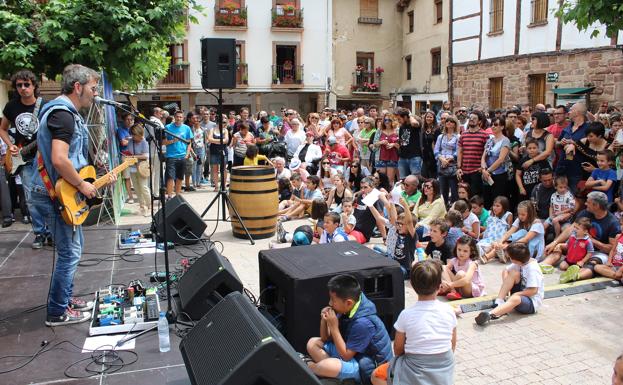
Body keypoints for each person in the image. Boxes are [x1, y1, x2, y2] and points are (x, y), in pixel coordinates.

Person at [30, 64, 116, 325]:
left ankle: (66, 298)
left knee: (73, 249)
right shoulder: (63, 115)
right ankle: (57, 311)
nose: (95, 93)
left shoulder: (61, 112)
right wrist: (82, 185)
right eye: (92, 88)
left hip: (58, 191)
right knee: (69, 253)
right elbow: (59, 159)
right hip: (53, 193)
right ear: (78, 87)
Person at [371, 260, 456, 385]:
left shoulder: (406, 315)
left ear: (412, 285)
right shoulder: (449, 310)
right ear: (439, 286)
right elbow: (452, 345)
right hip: (444, 365)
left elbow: (398, 349)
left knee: (376, 376)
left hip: (415, 366)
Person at [306, 274, 393, 384]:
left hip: (367, 368)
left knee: (328, 365)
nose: (330, 303)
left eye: (333, 300)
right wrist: (324, 321)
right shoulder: (349, 308)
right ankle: (331, 371)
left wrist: (334, 327)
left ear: (348, 303)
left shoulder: (363, 323)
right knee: (313, 343)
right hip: (352, 354)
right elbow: (325, 339)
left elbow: (346, 356)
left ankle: (311, 367)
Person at [0, 69, 51, 247]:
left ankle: (52, 232)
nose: (23, 88)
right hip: (24, 158)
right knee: (31, 197)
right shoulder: (12, 106)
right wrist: (9, 145)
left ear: (34, 85)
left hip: (45, 157)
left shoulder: (46, 105)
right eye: (19, 85)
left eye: (26, 84)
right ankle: (39, 233)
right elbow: (2, 128)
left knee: (50, 195)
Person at [544, 191, 620, 283]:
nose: (585, 203)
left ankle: (576, 276)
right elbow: (570, 229)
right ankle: (543, 265)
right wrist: (555, 242)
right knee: (557, 247)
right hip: (578, 246)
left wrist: (591, 240)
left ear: (596, 205)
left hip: (596, 253)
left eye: (588, 202)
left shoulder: (612, 223)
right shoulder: (585, 213)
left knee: (593, 264)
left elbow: (612, 248)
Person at [475, 243, 544, 326]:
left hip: (531, 303)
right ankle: (499, 302)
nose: (508, 257)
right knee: (513, 273)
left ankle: (491, 314)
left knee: (516, 298)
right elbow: (505, 270)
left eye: (509, 257)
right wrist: (507, 286)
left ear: (515, 260)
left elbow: (533, 291)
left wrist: (516, 294)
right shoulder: (521, 262)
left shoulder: (533, 269)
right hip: (520, 294)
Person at [556, 102, 590, 193]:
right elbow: (557, 143)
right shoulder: (567, 128)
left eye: (571, 110)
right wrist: (561, 142)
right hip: (562, 168)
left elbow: (591, 144)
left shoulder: (588, 129)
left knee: (574, 197)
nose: (569, 112)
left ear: (577, 112)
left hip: (577, 170)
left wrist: (574, 144)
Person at [442, 235, 486, 300]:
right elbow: (444, 270)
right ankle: (453, 291)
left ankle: (449, 289)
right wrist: (443, 281)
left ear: (471, 252)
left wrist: (450, 284)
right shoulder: (454, 260)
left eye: (465, 251)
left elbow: (466, 280)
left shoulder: (473, 263)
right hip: (459, 286)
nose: (461, 253)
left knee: (461, 273)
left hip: (471, 290)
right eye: (459, 249)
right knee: (443, 267)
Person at [457, 111, 489, 197]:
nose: (471, 119)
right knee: (464, 196)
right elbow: (460, 151)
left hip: (477, 171)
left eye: (474, 118)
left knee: (476, 196)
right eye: (470, 117)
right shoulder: (463, 134)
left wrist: (482, 168)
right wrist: (459, 167)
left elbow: (487, 153)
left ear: (479, 121)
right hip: (464, 171)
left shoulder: (484, 135)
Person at [164, 110, 193, 197]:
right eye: (177, 117)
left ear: (183, 118)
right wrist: (173, 141)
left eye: (180, 117)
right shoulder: (168, 127)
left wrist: (187, 154)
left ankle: (177, 196)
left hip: (182, 156)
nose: (178, 118)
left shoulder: (186, 128)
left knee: (180, 178)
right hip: (171, 156)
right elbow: (163, 142)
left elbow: (189, 142)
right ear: (174, 117)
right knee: (170, 178)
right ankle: (169, 196)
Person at [478, 196, 514, 263]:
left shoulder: (508, 215)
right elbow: (488, 230)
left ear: (504, 207)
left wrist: (505, 241)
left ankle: (496, 254)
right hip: (490, 239)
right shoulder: (491, 216)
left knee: (498, 246)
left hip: (501, 239)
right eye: (494, 205)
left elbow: (509, 230)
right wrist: (478, 236)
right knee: (480, 245)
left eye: (498, 206)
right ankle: (496, 254)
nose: (495, 208)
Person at [353, 177, 388, 243]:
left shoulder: (377, 198)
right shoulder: (361, 195)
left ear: (372, 187)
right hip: (352, 228)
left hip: (362, 233)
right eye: (361, 187)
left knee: (345, 241)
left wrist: (384, 238)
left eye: (365, 187)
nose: (363, 190)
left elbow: (380, 220)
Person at [435, 115, 460, 205]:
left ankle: (453, 208)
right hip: (442, 164)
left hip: (452, 165)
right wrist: (442, 159)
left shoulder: (458, 137)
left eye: (451, 121)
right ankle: (444, 208)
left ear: (455, 124)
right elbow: (436, 150)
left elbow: (458, 152)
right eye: (447, 121)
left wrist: (448, 160)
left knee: (454, 190)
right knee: (443, 190)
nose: (448, 123)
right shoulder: (440, 137)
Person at [126, 125, 150, 217]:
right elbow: (129, 152)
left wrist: (133, 157)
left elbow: (146, 156)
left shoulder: (144, 142)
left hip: (142, 168)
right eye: (133, 135)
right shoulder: (131, 141)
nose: (134, 137)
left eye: (135, 135)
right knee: (136, 188)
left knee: (144, 187)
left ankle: (149, 205)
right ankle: (142, 206)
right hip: (132, 167)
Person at [372, 116, 399, 186]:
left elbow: (401, 145)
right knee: (381, 180)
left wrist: (393, 144)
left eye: (389, 120)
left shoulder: (397, 130)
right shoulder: (379, 130)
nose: (387, 122)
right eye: (385, 120)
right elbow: (374, 143)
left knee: (390, 181)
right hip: (381, 158)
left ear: (393, 121)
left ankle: (389, 196)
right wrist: (381, 142)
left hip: (393, 158)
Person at [396, 108, 424, 179]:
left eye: (399, 119)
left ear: (405, 117)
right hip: (403, 157)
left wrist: (409, 115)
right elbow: (401, 141)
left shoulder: (414, 125)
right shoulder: (402, 127)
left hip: (414, 157)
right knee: (403, 180)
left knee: (414, 180)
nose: (398, 121)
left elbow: (415, 123)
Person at [206, 114, 229, 191]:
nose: (223, 124)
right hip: (214, 151)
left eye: (224, 122)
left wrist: (215, 141)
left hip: (223, 152)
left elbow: (226, 140)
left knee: (224, 169)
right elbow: (209, 139)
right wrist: (220, 141)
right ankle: (216, 186)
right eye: (222, 122)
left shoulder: (225, 130)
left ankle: (224, 186)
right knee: (215, 169)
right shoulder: (213, 129)